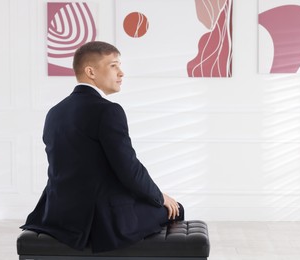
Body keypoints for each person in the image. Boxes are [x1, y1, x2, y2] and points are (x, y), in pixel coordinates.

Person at [20, 41, 184, 253]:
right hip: (99, 219)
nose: (121, 73)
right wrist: (160, 196)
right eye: (114, 65)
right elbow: (129, 170)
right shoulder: (108, 111)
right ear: (91, 72)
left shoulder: (55, 112)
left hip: (57, 215)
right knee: (176, 210)